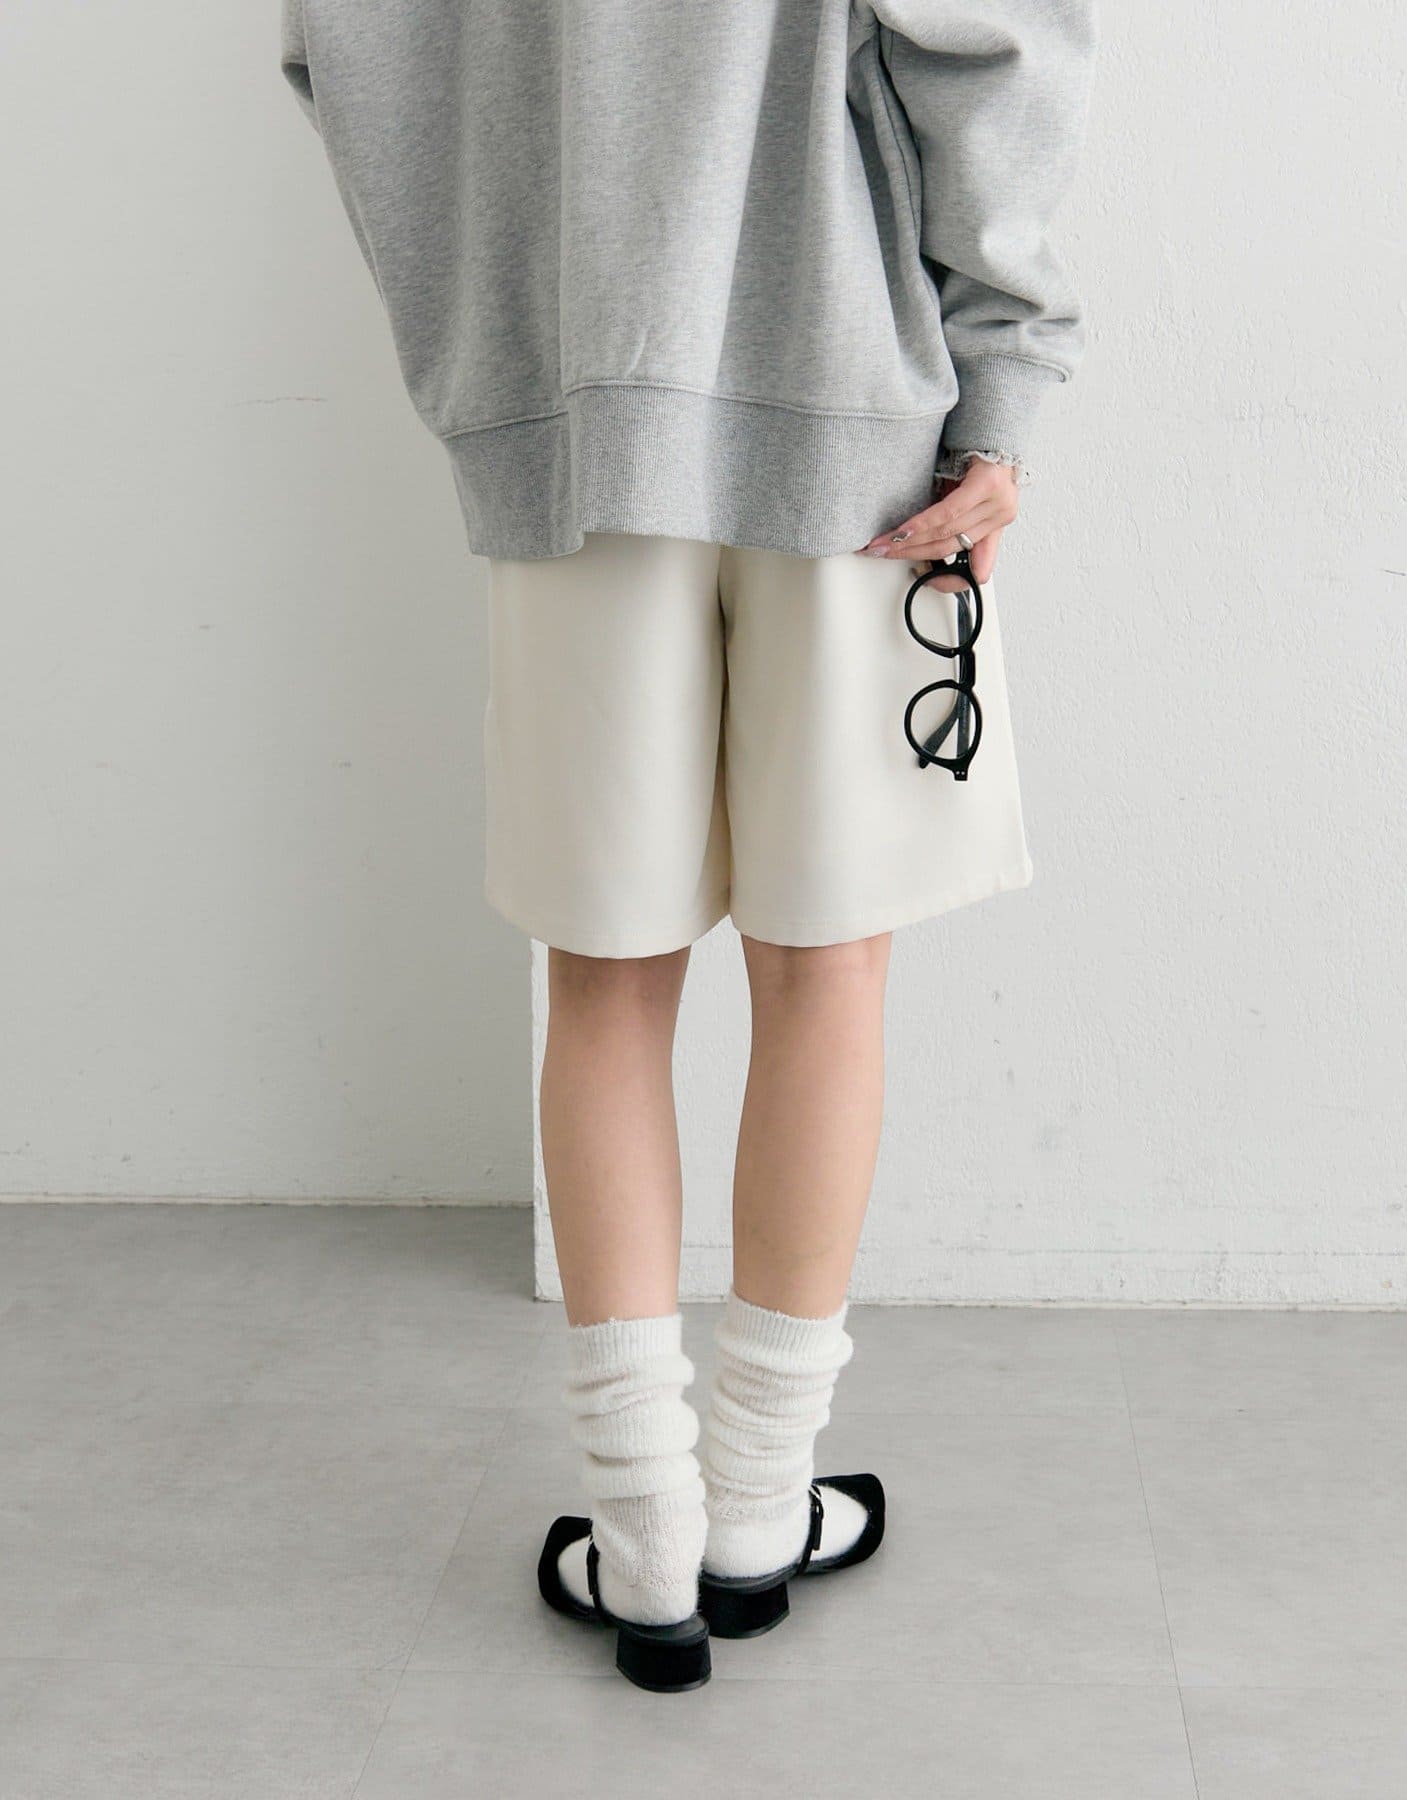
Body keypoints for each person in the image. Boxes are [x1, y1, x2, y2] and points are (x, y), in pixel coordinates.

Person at [282, 0, 1096, 1693]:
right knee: (828, 967)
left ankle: (644, 1528)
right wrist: (1004, 376)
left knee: (603, 978)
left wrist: (494, 352)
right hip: (853, 414)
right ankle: (758, 1507)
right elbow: (991, 38)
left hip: (577, 423)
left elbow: (345, 40)